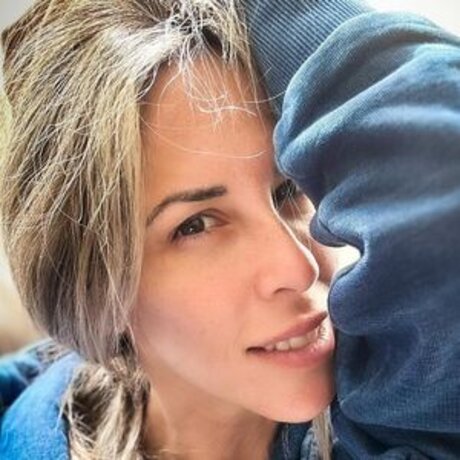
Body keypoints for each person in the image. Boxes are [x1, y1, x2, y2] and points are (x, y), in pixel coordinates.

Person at [1, 0, 460, 459]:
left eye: (287, 190)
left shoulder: (403, 417)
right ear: (96, 287)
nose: (298, 268)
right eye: (196, 225)